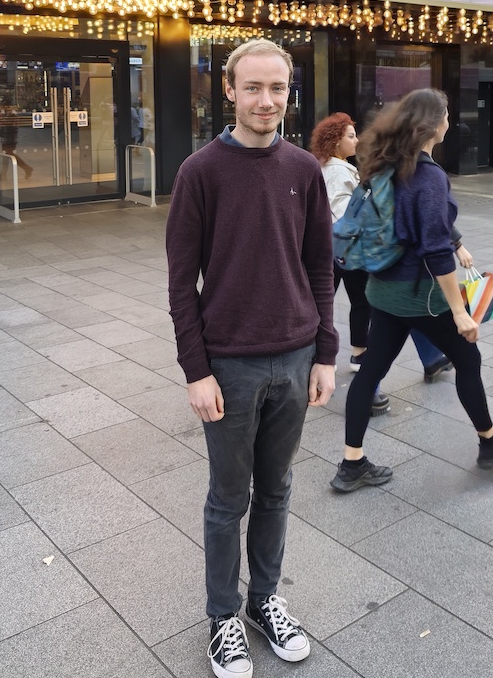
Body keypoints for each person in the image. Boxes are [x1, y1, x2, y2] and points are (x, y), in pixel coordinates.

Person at [166, 39, 337, 678]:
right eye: (254, 88)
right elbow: (182, 282)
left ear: (289, 93)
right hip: (230, 364)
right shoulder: (200, 172)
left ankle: (265, 599)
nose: (267, 102)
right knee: (227, 499)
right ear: (230, 91)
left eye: (279, 89)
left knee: (278, 489)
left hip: (295, 359)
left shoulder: (303, 170)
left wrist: (325, 352)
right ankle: (223, 619)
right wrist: (196, 370)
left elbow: (321, 267)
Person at [330, 89, 493, 493]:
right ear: (433, 126)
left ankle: (351, 463)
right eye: (446, 115)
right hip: (420, 295)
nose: (449, 121)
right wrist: (459, 311)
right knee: (467, 356)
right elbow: (432, 248)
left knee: (371, 370)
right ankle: (491, 442)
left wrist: (456, 240)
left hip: (383, 290)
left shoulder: (383, 165)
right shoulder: (428, 176)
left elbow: (419, 221)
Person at [310, 113, 454, 416]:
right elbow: (340, 215)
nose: (357, 140)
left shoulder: (344, 167)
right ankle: (365, 370)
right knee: (376, 310)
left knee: (373, 308)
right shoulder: (339, 171)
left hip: (348, 252)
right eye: (351, 135)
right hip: (351, 252)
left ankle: (424, 359)